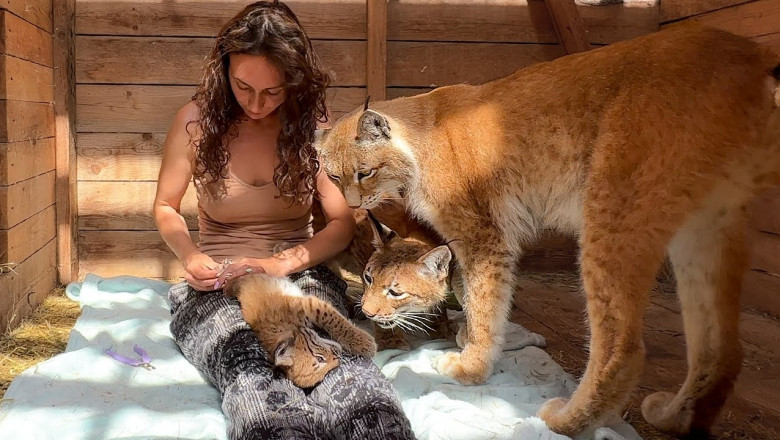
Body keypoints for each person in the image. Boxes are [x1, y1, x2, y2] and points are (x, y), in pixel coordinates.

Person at [152, 2, 415, 439]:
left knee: (339, 360)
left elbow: (340, 223)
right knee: (244, 363)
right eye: (243, 87)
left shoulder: (313, 126)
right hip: (216, 282)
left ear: (294, 82)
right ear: (224, 71)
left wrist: (279, 265)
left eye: (273, 91)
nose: (257, 103)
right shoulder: (193, 122)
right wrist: (191, 256)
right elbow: (165, 206)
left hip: (299, 274)